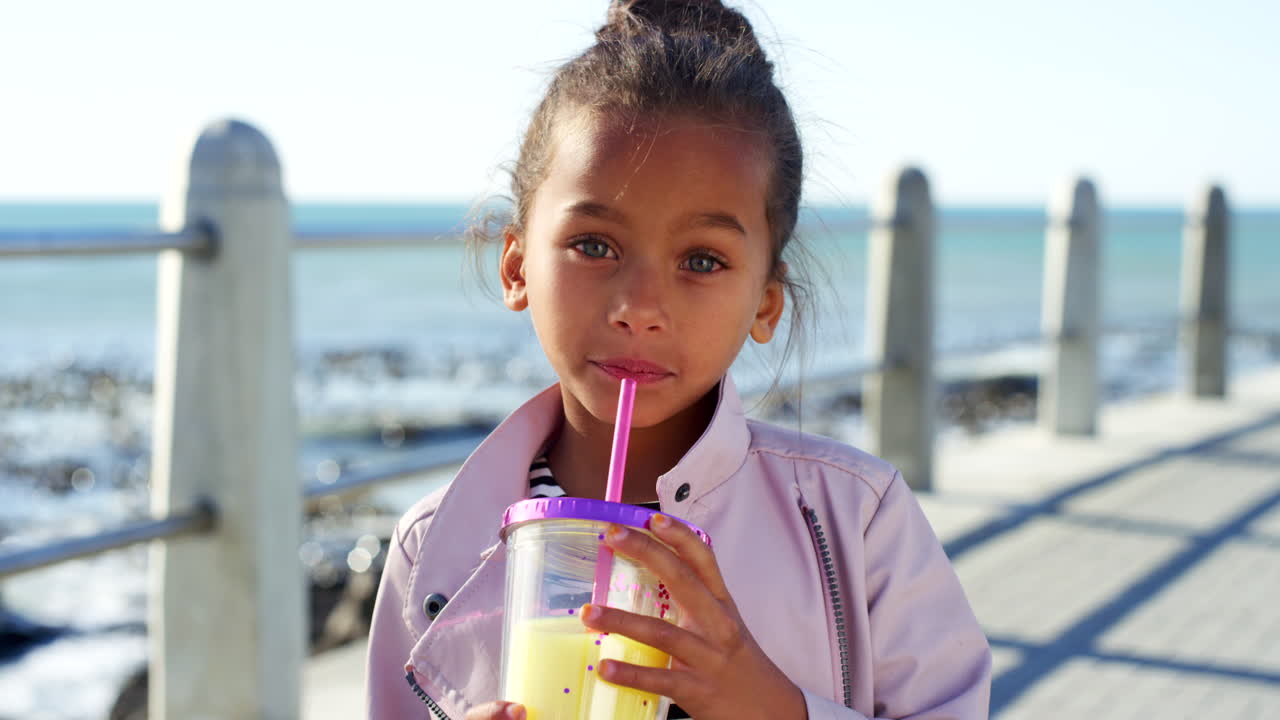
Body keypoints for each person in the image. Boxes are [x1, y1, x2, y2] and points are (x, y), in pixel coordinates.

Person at [366, 1, 991, 718]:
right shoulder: (434, 549)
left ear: (765, 302)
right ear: (516, 267)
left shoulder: (853, 520)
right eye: (594, 245)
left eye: (702, 260)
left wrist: (774, 707)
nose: (641, 305)